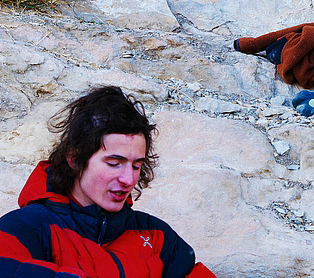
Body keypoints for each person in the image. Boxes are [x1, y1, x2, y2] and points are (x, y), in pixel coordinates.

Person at [0, 86, 215, 277]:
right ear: (74, 159)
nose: (128, 179)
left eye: (136, 165)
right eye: (114, 163)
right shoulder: (28, 228)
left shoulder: (156, 236)